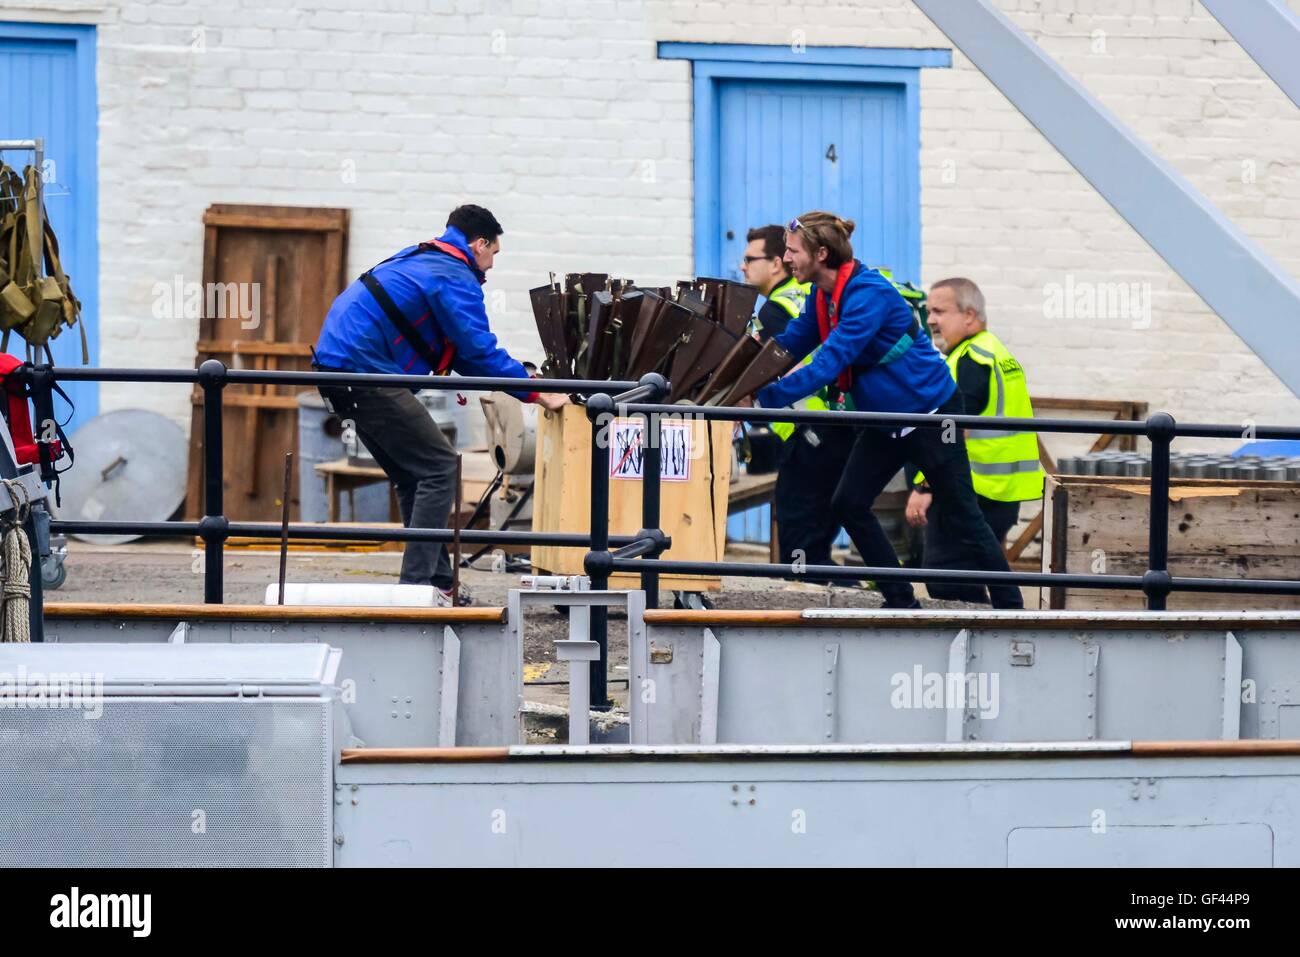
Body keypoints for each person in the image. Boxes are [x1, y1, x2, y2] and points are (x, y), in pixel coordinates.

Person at [755, 211, 1023, 610]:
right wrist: (744, 373)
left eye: (792, 251)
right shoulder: (822, 295)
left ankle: (1011, 608)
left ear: (821, 254)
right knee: (848, 503)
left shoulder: (868, 294)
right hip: (885, 422)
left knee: (963, 515)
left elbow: (831, 360)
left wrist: (766, 398)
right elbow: (791, 343)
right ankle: (899, 597)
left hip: (929, 416)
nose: (787, 259)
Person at [313, 204, 566, 605]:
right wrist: (539, 392)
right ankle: (416, 590)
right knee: (441, 467)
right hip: (364, 372)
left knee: (417, 475)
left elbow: (465, 354)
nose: (492, 265)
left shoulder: (424, 259)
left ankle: (438, 582)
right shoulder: (453, 275)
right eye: (494, 254)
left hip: (340, 370)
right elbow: (479, 351)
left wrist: (526, 382)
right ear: (479, 243)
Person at [905, 278, 1045, 603]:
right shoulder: (992, 351)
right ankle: (997, 633)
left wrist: (923, 486)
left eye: (939, 311)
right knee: (976, 575)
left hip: (972, 490)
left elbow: (952, 431)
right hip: (998, 492)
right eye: (928, 312)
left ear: (969, 315)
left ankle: (982, 643)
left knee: (947, 578)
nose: (930, 320)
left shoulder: (971, 359)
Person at [742, 225, 854, 579]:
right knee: (819, 526)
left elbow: (769, 367)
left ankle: (816, 602)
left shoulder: (776, 311)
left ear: (776, 263)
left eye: (750, 259)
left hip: (810, 428)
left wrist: (751, 396)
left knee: (798, 525)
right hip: (834, 425)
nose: (742, 267)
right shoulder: (806, 295)